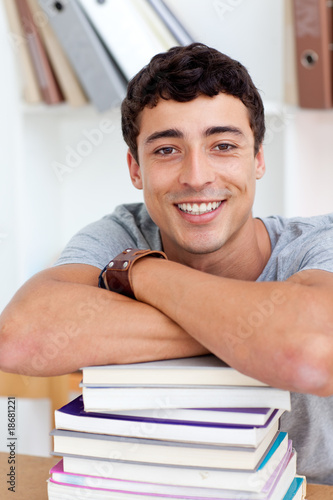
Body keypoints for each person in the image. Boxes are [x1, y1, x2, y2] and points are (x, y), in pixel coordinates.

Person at [1, 43, 333, 483]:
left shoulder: (317, 244)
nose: (197, 176)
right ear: (135, 168)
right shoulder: (123, 232)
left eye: (223, 145)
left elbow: (311, 352)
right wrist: (257, 333)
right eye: (165, 151)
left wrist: (141, 271)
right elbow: (20, 338)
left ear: (258, 160)